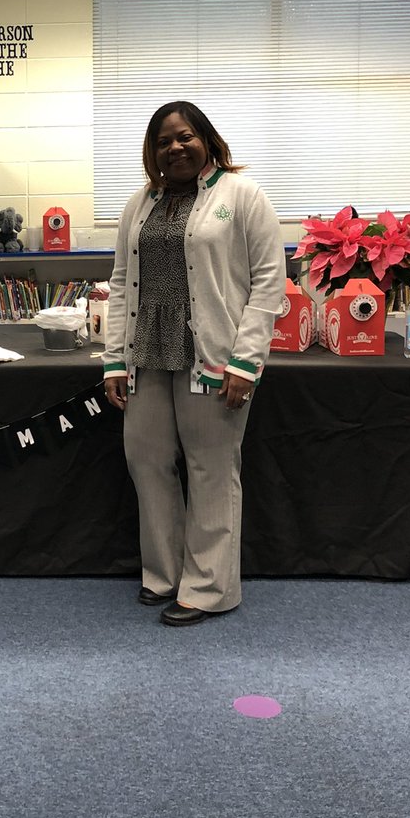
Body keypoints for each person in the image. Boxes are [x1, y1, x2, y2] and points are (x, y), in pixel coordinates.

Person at [103, 101, 285, 627]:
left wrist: (245, 361)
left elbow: (269, 281)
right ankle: (163, 574)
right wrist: (114, 359)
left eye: (184, 137)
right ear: (152, 151)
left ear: (205, 139)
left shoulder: (241, 195)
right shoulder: (141, 202)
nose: (174, 148)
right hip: (148, 352)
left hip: (213, 353)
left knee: (211, 469)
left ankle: (208, 589)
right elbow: (120, 283)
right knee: (146, 459)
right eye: (163, 141)